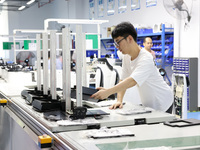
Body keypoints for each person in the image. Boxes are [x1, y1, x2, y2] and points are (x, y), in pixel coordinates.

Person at [91, 22, 173, 113]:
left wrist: (109, 92)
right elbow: (123, 79)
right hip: (148, 104)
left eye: (118, 42)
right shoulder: (126, 56)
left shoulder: (146, 58)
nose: (117, 47)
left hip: (163, 102)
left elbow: (132, 81)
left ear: (129, 39)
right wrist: (119, 100)